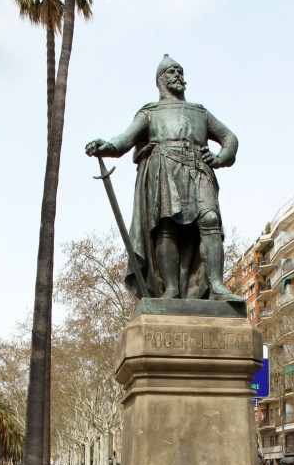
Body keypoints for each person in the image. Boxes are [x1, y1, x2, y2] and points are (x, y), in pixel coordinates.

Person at [86, 55, 244, 302]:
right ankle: (170, 289)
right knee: (165, 226)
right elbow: (125, 140)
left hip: (197, 167)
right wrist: (106, 146)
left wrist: (222, 157)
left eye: (179, 71)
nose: (177, 75)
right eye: (171, 71)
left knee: (210, 219)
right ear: (160, 80)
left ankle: (216, 285)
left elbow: (229, 137)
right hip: (163, 167)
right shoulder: (150, 112)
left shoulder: (199, 112)